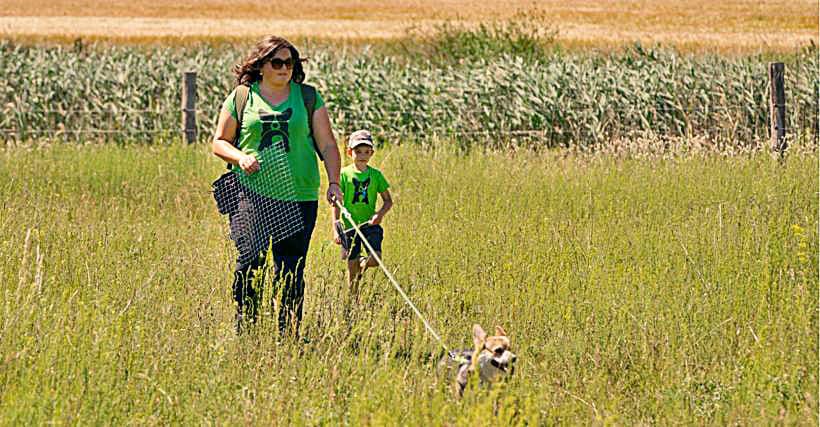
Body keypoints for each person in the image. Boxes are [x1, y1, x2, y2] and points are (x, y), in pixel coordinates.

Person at [212, 35, 342, 336]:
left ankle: (289, 335)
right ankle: (246, 328)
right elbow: (219, 142)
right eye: (277, 62)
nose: (285, 68)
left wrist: (334, 182)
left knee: (291, 268)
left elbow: (328, 145)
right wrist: (241, 157)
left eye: (289, 62)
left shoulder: (308, 98)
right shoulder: (242, 97)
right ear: (261, 66)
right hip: (252, 194)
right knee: (249, 262)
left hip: (300, 195)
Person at [332, 130, 393, 301]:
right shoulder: (343, 174)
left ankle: (362, 265)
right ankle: (353, 302)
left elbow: (388, 201)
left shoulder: (376, 175)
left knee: (376, 258)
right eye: (358, 151)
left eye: (367, 152)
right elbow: (336, 203)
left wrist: (380, 215)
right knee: (351, 270)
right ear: (349, 152)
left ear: (372, 153)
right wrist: (336, 227)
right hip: (350, 227)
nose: (362, 156)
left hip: (369, 226)